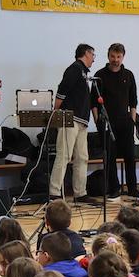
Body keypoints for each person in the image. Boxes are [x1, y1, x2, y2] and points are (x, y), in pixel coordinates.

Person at [49, 43, 99, 200]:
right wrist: (55, 112)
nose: (93, 59)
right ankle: (54, 192)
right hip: (69, 118)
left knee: (82, 157)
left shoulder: (84, 73)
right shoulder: (75, 69)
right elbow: (62, 90)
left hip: (82, 121)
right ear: (86, 53)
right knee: (64, 155)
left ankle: (80, 193)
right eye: (93, 55)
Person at [92, 42, 139, 197]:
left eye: (118, 56)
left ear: (123, 57)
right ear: (108, 56)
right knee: (110, 157)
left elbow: (133, 100)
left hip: (125, 122)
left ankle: (132, 189)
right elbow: (93, 102)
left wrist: (132, 121)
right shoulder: (99, 75)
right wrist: (98, 121)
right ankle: (114, 189)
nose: (115, 59)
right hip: (107, 123)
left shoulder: (129, 75)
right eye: (113, 56)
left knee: (130, 156)